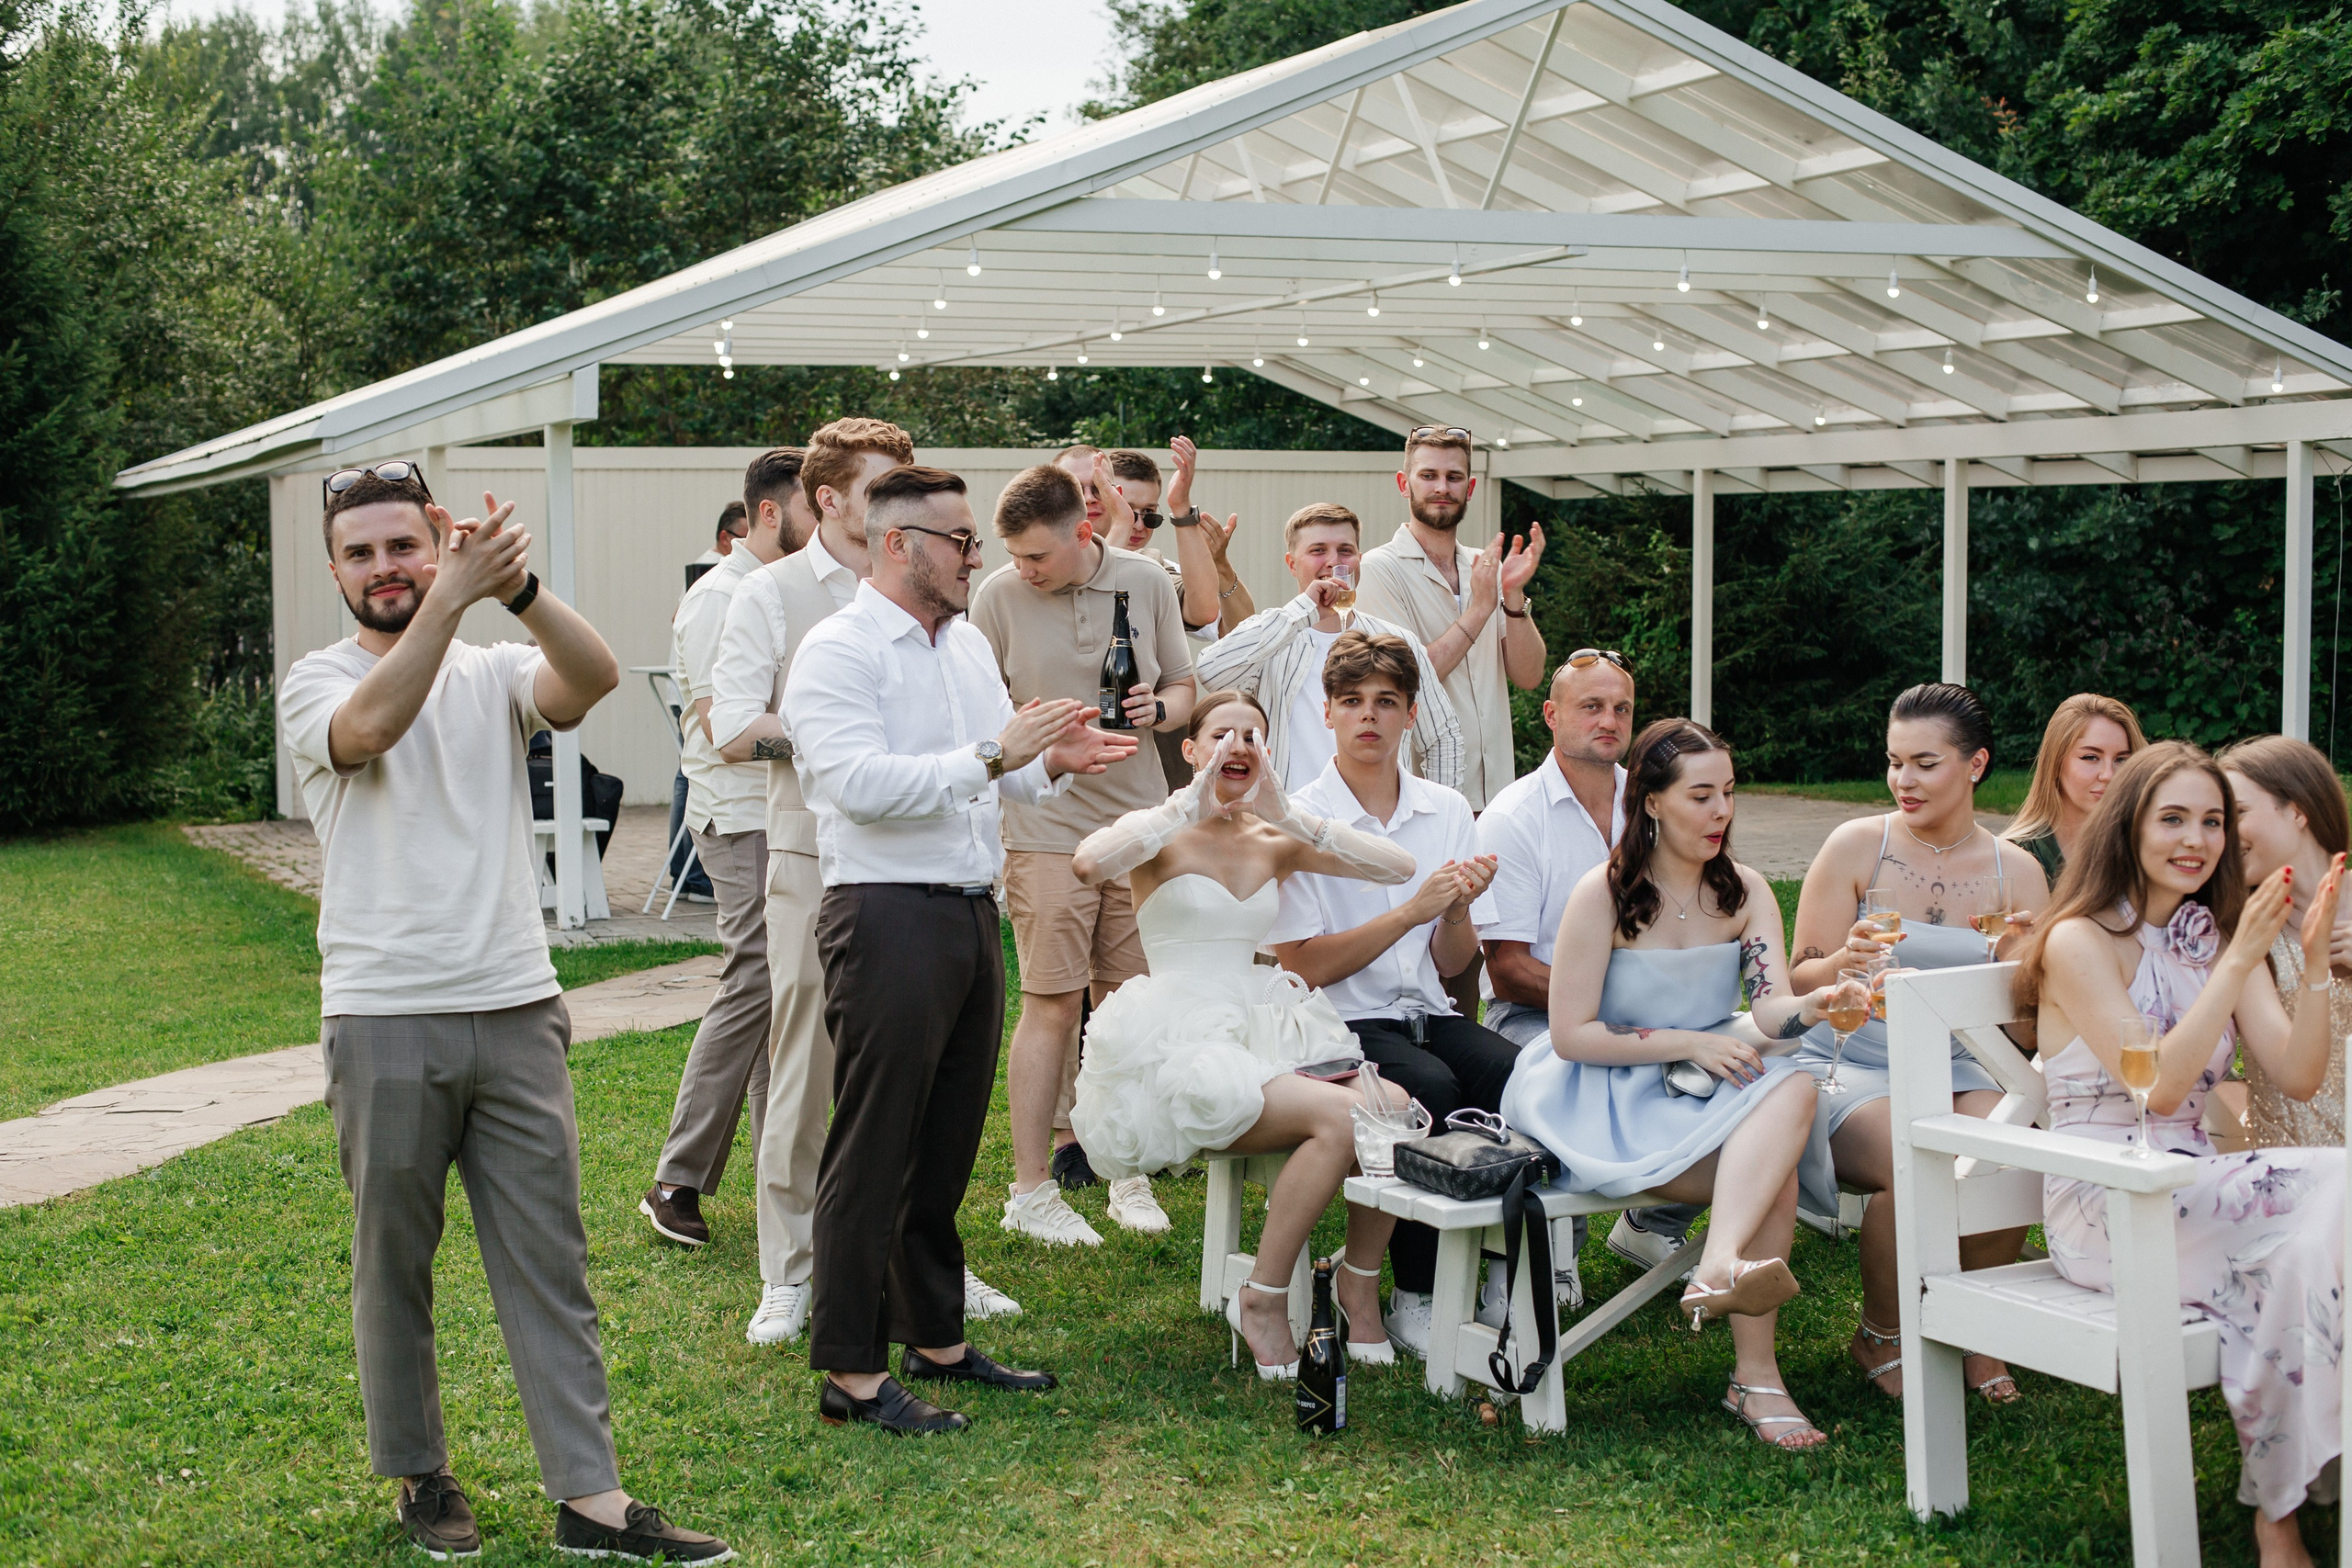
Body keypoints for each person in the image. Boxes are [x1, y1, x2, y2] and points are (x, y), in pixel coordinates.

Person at [281, 465, 729, 1562]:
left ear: (435, 543)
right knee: (394, 1262)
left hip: (518, 1008)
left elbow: (593, 677)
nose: (385, 568)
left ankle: (592, 1500)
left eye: (404, 545)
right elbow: (369, 731)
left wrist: (516, 589)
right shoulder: (316, 681)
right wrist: (454, 593)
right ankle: (419, 1473)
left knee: (549, 1261)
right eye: (361, 553)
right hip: (383, 1014)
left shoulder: (491, 668)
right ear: (335, 571)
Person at [785, 464, 1136, 1434]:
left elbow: (997, 773)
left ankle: (934, 1336)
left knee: (944, 1143)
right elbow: (858, 785)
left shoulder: (968, 644)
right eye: (962, 541)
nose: (977, 556)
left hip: (970, 907)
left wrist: (1049, 762)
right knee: (873, 1145)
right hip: (883, 912)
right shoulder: (839, 649)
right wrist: (996, 754)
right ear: (899, 545)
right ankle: (850, 1372)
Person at [2017, 740, 2344, 1566]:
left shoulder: (2213, 936)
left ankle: (2280, 1508)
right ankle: (2284, 1506)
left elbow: (2299, 1074)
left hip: (2197, 1184)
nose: (2197, 840)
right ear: (2128, 826)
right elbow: (2157, 1087)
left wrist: (2311, 967)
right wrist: (2236, 963)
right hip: (2108, 1198)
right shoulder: (2078, 941)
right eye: (2173, 819)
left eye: (2212, 820)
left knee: (2307, 1250)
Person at [1500, 717, 1832, 1451]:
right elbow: (1571, 1032)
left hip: (1706, 1085)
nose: (1721, 812)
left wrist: (1815, 1006)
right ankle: (1754, 1375)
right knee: (1774, 1176)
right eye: (1701, 795)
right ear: (1652, 801)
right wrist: (1691, 1042)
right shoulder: (1604, 893)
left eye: (1729, 794)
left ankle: (1720, 1269)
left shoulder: (1743, 889)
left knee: (1797, 1083)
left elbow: (1770, 1009)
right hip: (1605, 1092)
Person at [1067, 693, 1414, 1376]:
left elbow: (1398, 868)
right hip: (1182, 1036)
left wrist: (1293, 817)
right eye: (1222, 735)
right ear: (1191, 750)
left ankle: (1359, 1280)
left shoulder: (1273, 838)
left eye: (1252, 736)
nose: (1238, 747)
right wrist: (1183, 806)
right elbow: (1088, 863)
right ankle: (1263, 1296)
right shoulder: (1157, 832)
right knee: (1342, 1118)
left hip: (1264, 1021)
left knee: (1394, 1106)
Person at [1263, 631, 1521, 1357]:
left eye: (1385, 701)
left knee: (1515, 1071)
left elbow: (1452, 961)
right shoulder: (1302, 818)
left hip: (1426, 1010)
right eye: (1352, 701)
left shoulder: (1446, 809)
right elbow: (1303, 965)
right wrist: (1409, 911)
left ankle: (1501, 1265)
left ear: (1410, 713)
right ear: (1327, 713)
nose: (1368, 716)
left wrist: (1457, 910)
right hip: (1340, 1022)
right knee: (1431, 1088)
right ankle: (1411, 1286)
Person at [1788, 682, 2046, 1402]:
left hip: (1968, 1060)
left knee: (2010, 1149)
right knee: (1917, 1157)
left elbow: (2030, 1032)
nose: (1904, 779)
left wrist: (2022, 969)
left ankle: (1975, 1328)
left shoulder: (2017, 871)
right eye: (1895, 761)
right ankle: (1882, 1332)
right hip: (1853, 1062)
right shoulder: (1857, 846)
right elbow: (1800, 971)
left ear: (1976, 764)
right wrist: (1847, 960)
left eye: (1925, 763)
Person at [972, 463, 1197, 1242]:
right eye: (1015, 554)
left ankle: (1126, 1173)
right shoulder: (997, 597)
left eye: (1037, 554)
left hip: (1136, 831)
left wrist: (1157, 705)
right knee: (1052, 1002)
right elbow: (978, 715)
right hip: (1042, 828)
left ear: (1084, 531)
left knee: (1125, 1005)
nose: (1023, 569)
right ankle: (1031, 1189)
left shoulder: (1146, 581)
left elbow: (1185, 688)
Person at [1476, 649, 1702, 1285]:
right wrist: (1616, 1008)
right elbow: (1508, 968)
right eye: (1591, 706)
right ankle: (1557, 1243)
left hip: (1649, 1002)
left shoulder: (1657, 806)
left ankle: (1651, 1223)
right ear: (1551, 715)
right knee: (1575, 1074)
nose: (1609, 720)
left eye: (1621, 708)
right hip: (1533, 1012)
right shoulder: (1514, 817)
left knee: (1737, 1068)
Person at [640, 460, 797, 1249]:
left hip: (783, 812)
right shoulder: (718, 598)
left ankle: (781, 1178)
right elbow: (720, 730)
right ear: (768, 512)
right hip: (737, 816)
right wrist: (831, 732)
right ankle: (676, 1179)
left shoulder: (783, 590)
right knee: (756, 978)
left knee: (779, 992)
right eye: (813, 507)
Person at [1354, 424, 1545, 1016]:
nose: (1442, 487)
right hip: (1424, 795)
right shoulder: (1379, 568)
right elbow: (1403, 676)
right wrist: (1481, 609)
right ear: (1403, 482)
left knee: (1484, 944)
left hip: (1497, 795)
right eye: (1429, 475)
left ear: (1471, 486)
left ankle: (1479, 1049)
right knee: (1429, 950)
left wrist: (1511, 600)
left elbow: (1529, 674)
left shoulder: (1485, 566)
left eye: (1453, 476)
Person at [1196, 502, 1463, 793]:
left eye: (1345, 551)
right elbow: (1211, 672)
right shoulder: (1273, 635)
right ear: (1292, 564)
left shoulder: (1399, 641)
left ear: (1359, 560)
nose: (1334, 562)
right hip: (1291, 816)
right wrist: (1303, 611)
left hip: (1378, 817)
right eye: (1318, 550)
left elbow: (1443, 737)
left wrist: (1436, 812)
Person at [2220, 733, 2351, 1145]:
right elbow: (2293, 1078)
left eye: (2238, 813)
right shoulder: (2241, 934)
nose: (2223, 835)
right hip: (2291, 1170)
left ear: (2297, 810)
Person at [2006, 694, 2147, 884]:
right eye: (2091, 757)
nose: (2108, 775)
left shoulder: (2144, 853)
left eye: (2121, 759)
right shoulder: (2013, 859)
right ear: (2056, 764)